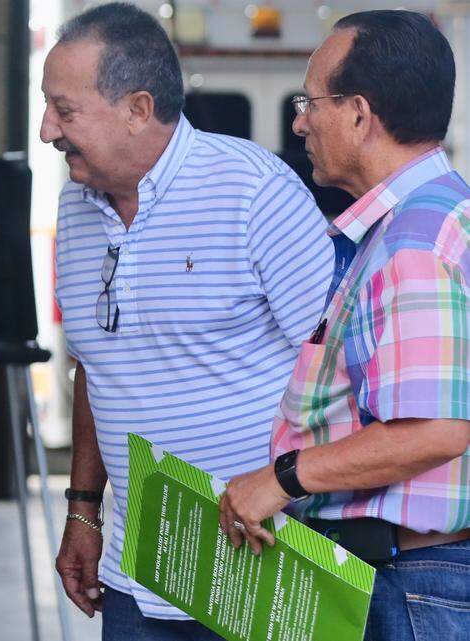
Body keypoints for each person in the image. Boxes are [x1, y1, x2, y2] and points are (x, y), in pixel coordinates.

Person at [41, 4, 333, 639]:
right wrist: (83, 510)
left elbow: (338, 372)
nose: (46, 130)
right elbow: (98, 368)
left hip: (263, 573)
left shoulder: (255, 192)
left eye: (64, 111)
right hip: (137, 579)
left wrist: (289, 489)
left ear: (138, 110)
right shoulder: (76, 203)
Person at [219, 11, 470, 639]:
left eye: (312, 101)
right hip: (408, 576)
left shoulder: (414, 242)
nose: (300, 120)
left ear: (359, 114)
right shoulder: (426, 218)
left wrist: (281, 480)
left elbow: (435, 430)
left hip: (411, 580)